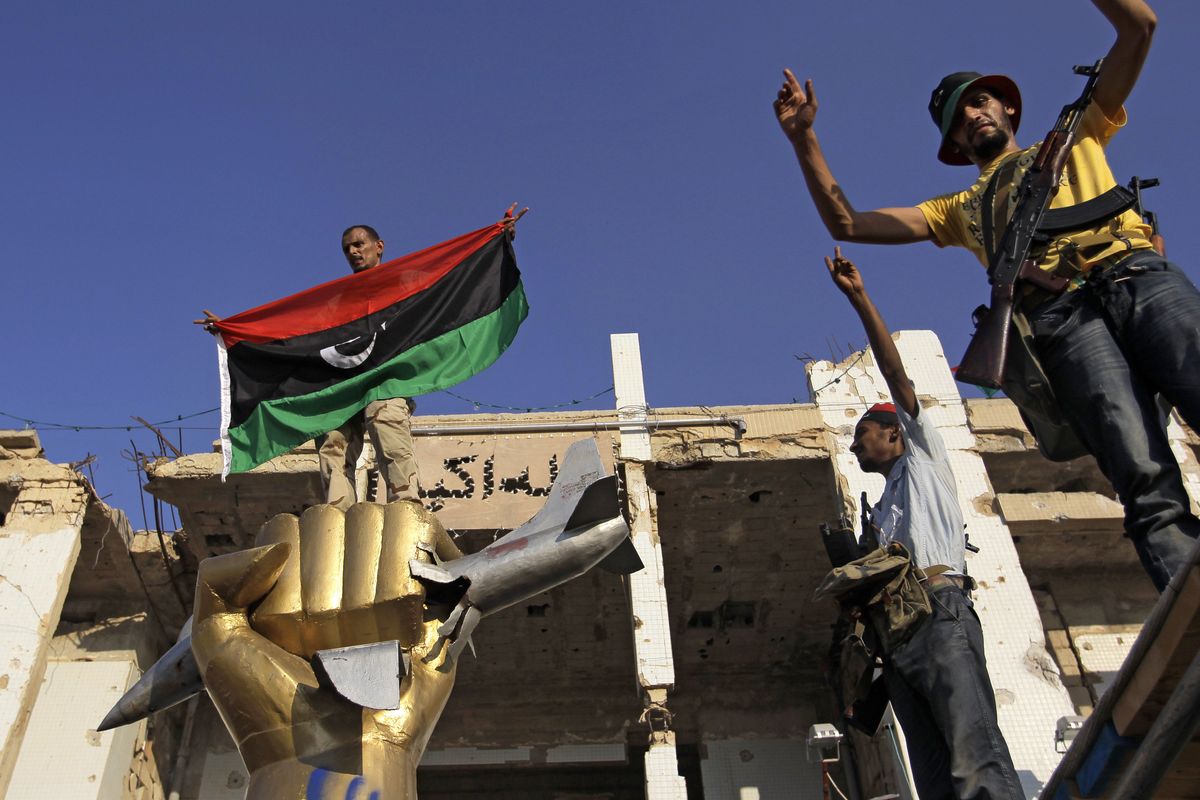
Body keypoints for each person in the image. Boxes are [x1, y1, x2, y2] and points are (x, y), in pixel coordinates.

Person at [774, 0, 1198, 592]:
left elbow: (1140, 26)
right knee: (1141, 473)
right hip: (1062, 320)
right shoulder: (959, 207)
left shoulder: (1077, 133)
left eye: (978, 101)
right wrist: (804, 139)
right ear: (952, 142)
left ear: (1006, 106)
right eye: (956, 117)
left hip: (1137, 276)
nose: (971, 115)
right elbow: (847, 223)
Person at [826, 247, 1023, 800]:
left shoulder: (922, 457)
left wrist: (859, 299)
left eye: (862, 430)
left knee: (974, 756)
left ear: (894, 432)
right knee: (934, 779)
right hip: (899, 636)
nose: (854, 441)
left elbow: (894, 373)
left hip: (939, 613)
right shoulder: (885, 506)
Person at [196, 206, 527, 510]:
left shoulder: (405, 282)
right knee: (332, 443)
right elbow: (295, 336)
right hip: (342, 383)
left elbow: (450, 284)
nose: (353, 252)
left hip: (387, 378)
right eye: (347, 249)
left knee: (386, 422)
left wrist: (497, 240)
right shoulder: (338, 301)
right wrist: (234, 331)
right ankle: (338, 515)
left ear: (379, 246)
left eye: (359, 244)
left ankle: (406, 504)